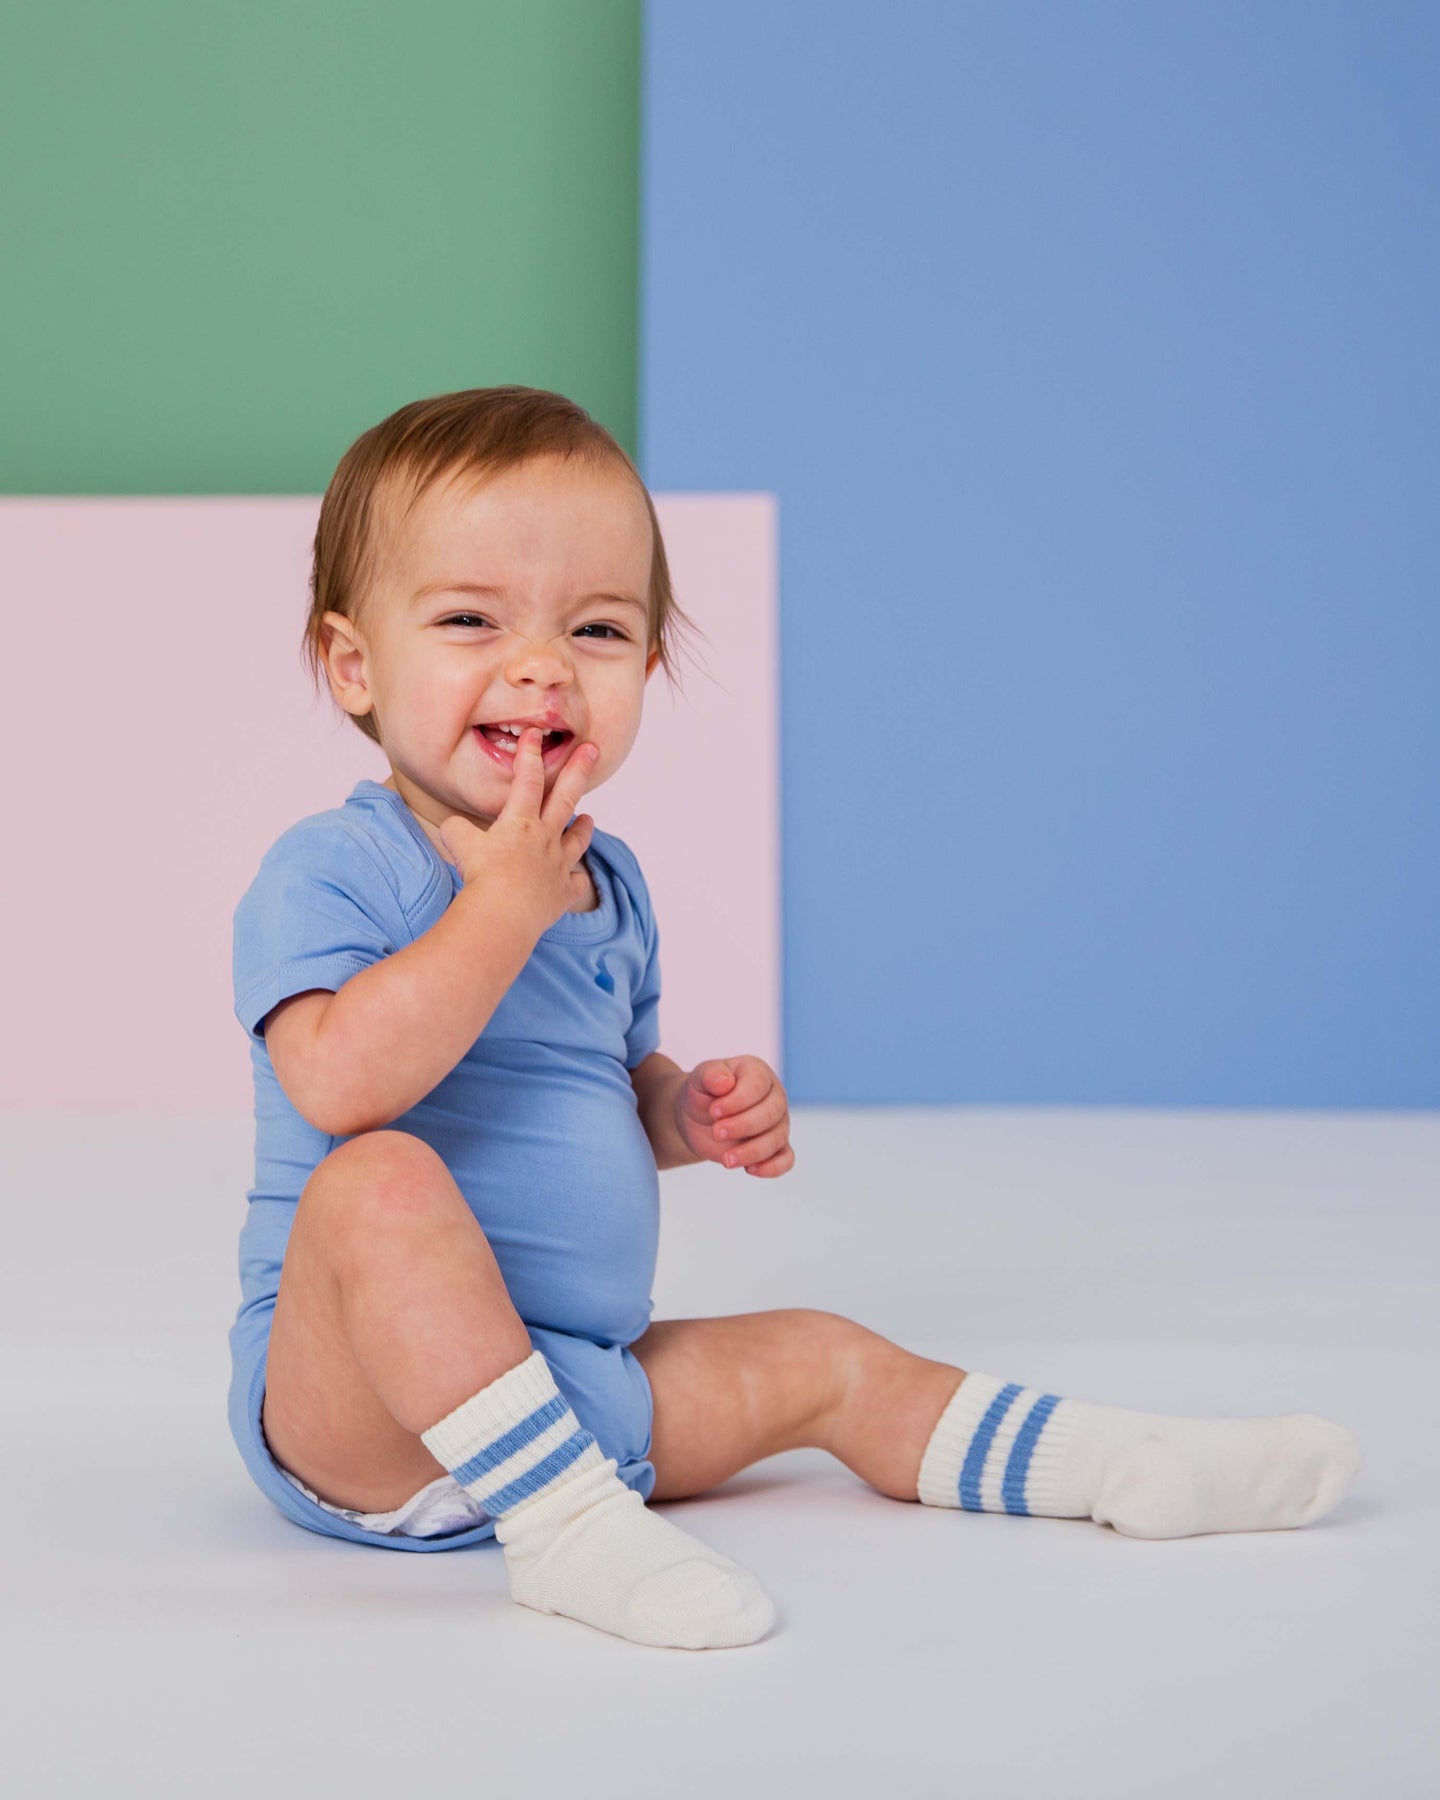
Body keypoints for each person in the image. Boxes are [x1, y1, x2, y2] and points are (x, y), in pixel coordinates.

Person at [228, 385, 1361, 1652]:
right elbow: (336, 1084)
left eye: (596, 628)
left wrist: (682, 1112)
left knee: (826, 1356)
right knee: (375, 1184)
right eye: (470, 620)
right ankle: (568, 1536)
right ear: (355, 664)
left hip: (574, 1390)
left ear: (647, 666)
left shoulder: (604, 886)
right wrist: (497, 909)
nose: (541, 665)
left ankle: (1114, 1462)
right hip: (364, 1416)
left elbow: (598, 1083)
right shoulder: (342, 868)